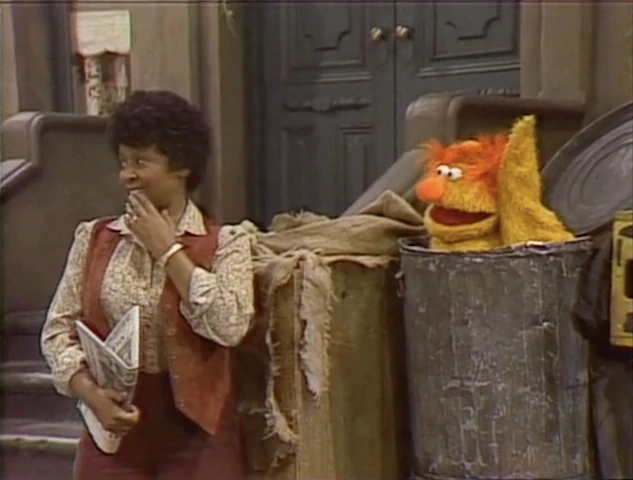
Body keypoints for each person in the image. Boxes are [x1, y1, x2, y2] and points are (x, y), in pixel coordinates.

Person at [40, 90, 254, 480]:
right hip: (112, 430)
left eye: (141, 161)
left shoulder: (228, 242)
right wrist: (90, 394)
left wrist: (168, 251)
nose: (127, 175)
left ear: (182, 165)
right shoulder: (93, 237)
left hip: (197, 434)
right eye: (123, 162)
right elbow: (58, 330)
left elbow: (229, 325)